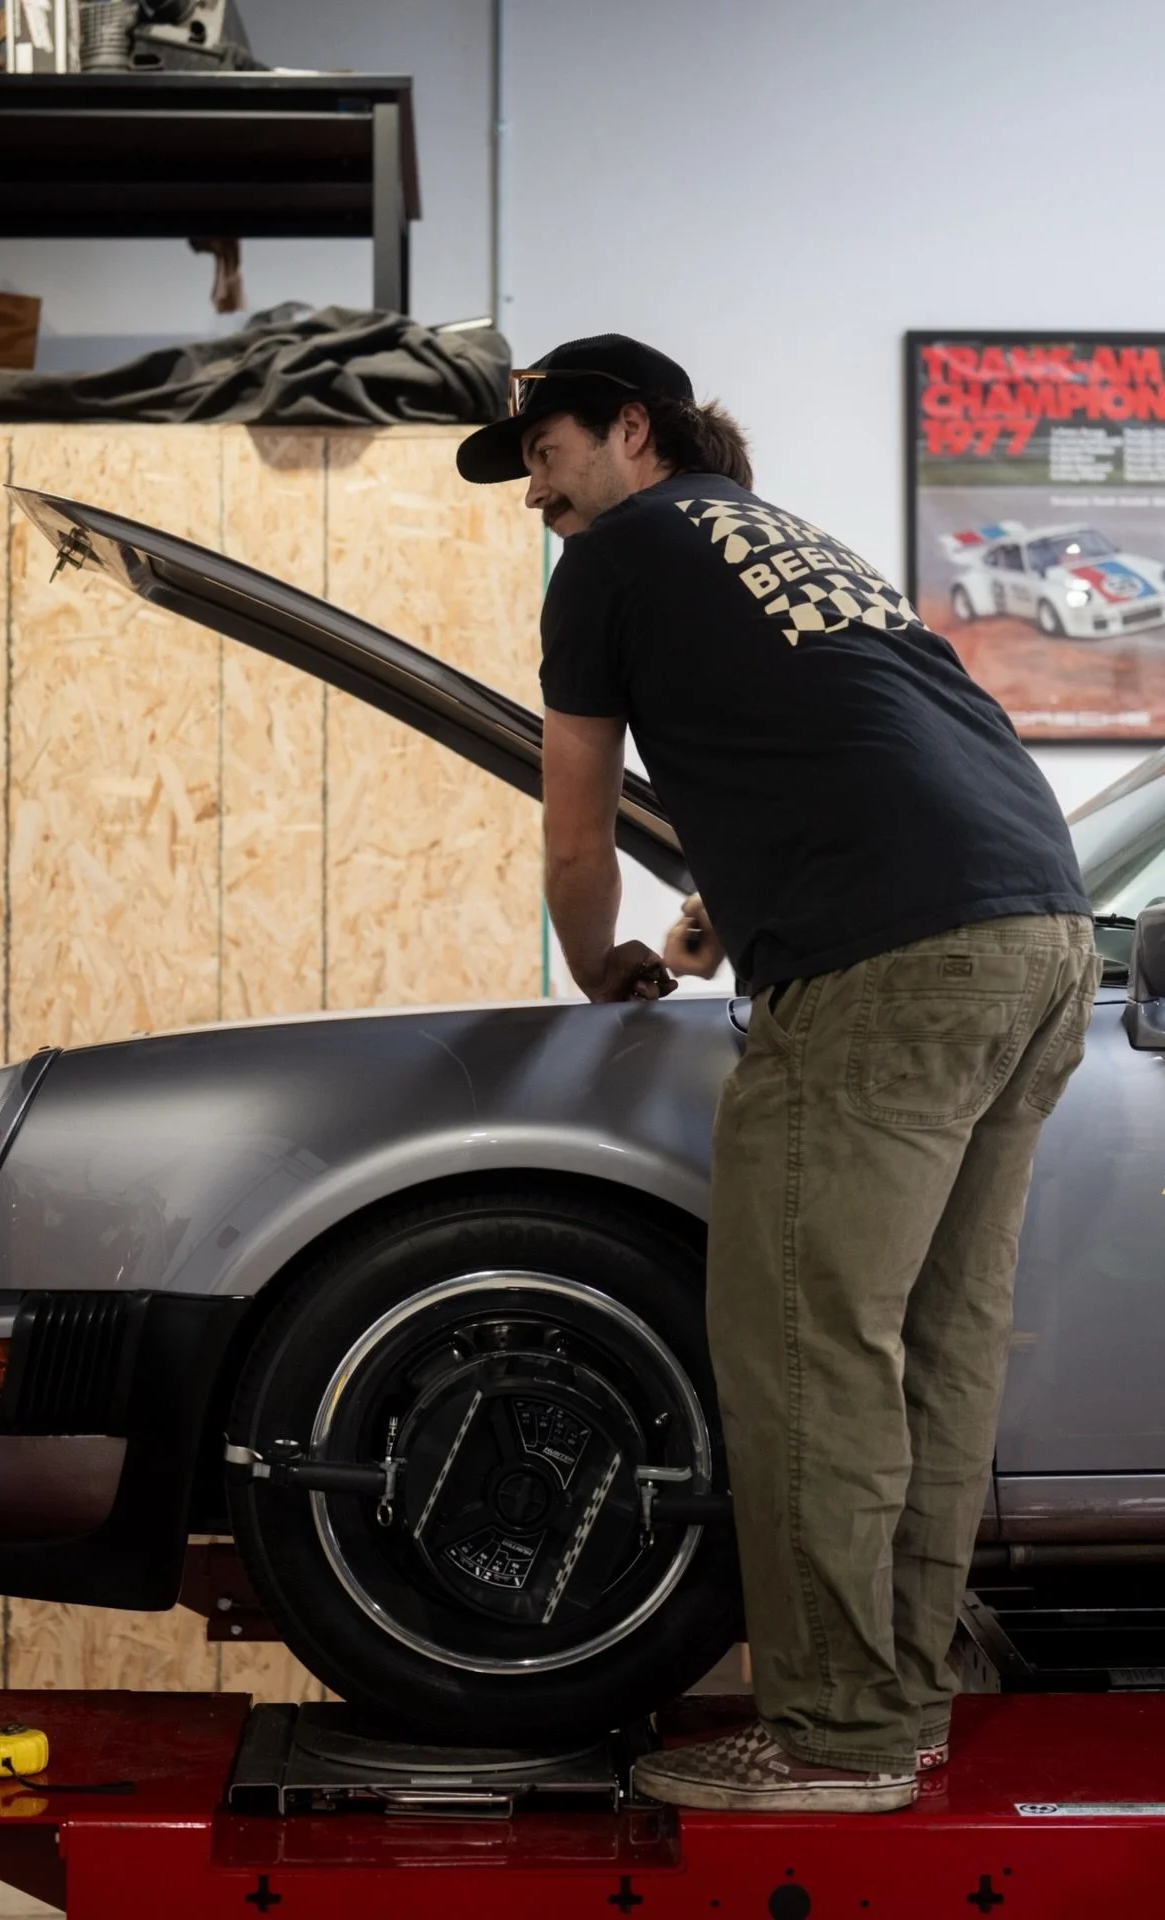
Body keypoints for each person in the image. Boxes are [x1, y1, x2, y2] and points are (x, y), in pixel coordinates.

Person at [455, 335, 1101, 1814]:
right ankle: (901, 1708)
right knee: (930, 1354)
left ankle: (831, 1740)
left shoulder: (613, 560)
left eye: (544, 455)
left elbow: (572, 837)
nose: (535, 494)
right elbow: (847, 758)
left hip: (890, 972)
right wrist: (719, 919)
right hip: (1038, 935)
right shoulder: (787, 540)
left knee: (809, 1352)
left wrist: (598, 951)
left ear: (631, 430)